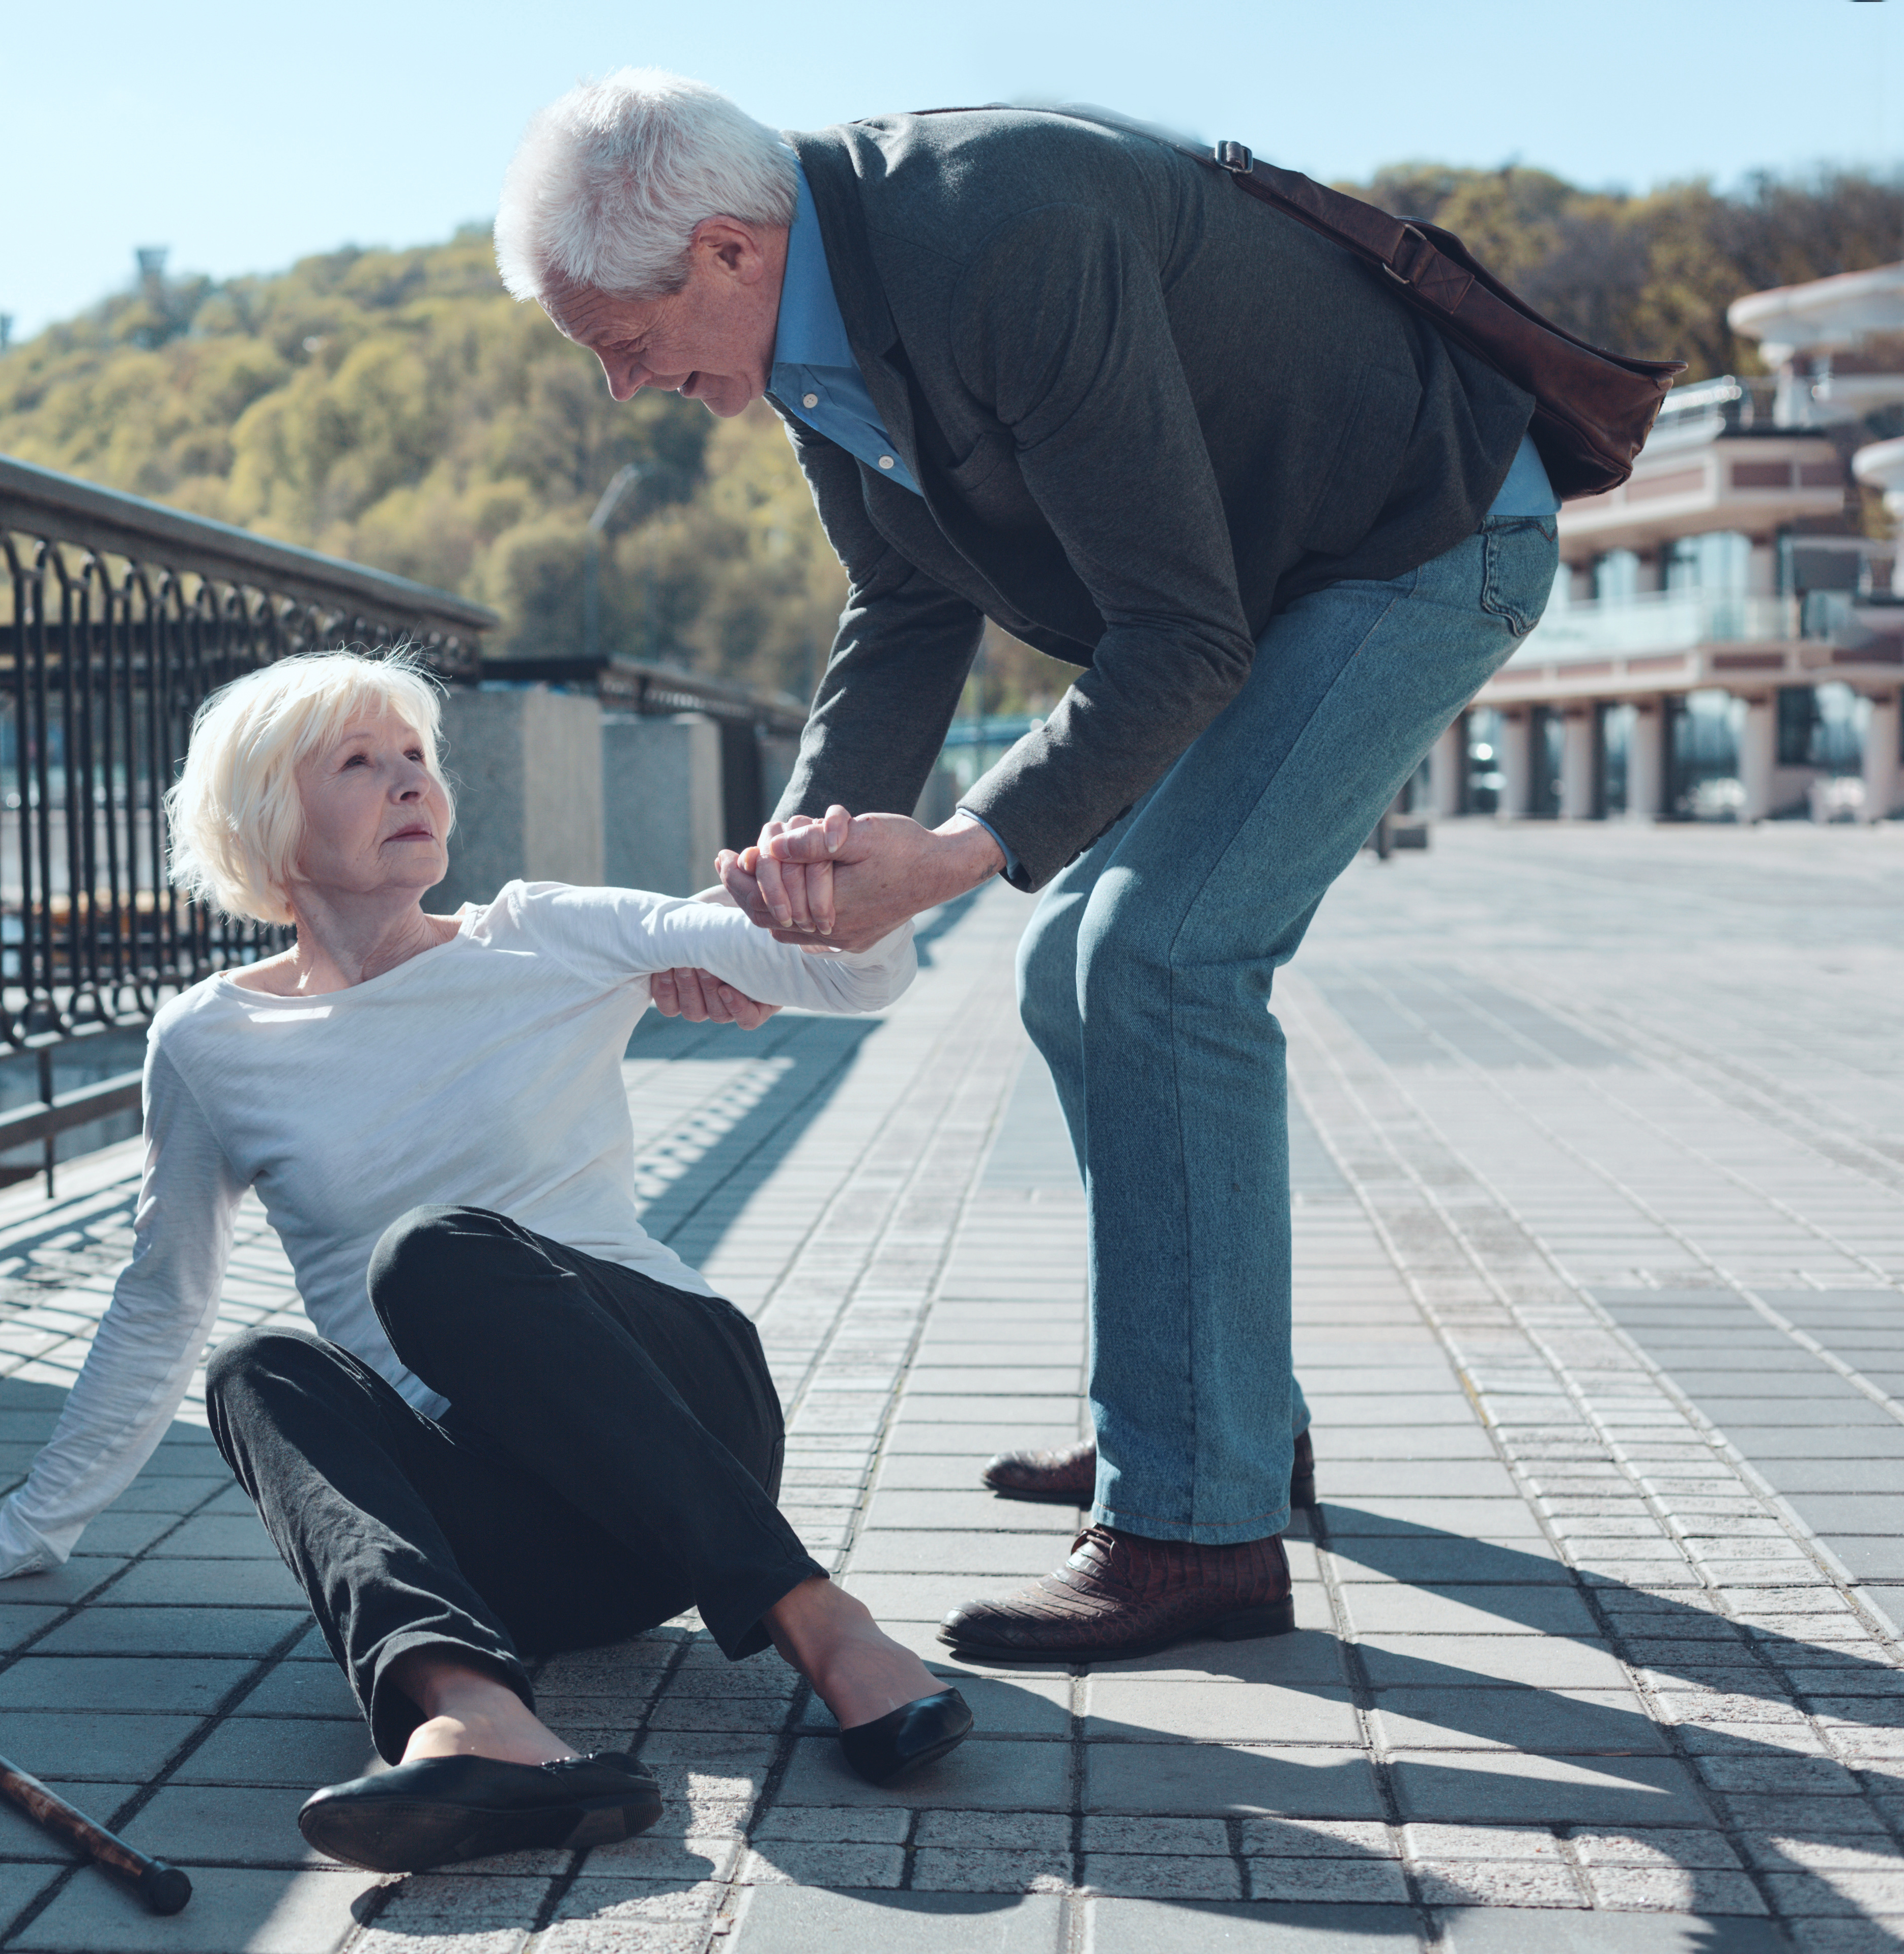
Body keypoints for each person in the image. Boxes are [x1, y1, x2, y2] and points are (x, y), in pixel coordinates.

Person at [498, 73, 1559, 1662]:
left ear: (724, 252)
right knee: (1078, 969)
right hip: (1273, 573)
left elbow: (1181, 635)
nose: (620, 388)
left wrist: (947, 859)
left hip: (1421, 537)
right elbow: (906, 605)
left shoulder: (1003, 239)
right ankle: (1216, 1419)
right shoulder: (807, 313)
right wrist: (782, 892)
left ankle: (1198, 1532)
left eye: (619, 341)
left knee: (1158, 957)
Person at [0, 651, 971, 1875]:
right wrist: (18, 1532)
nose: (409, 782)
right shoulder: (213, 1040)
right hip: (543, 1557)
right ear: (269, 819)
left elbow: (856, 974)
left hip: (687, 1422)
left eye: (418, 756)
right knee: (256, 1365)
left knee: (431, 1256)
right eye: (360, 763)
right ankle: (473, 1715)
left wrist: (824, 891)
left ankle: (823, 1623)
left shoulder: (544, 932)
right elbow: (160, 1295)